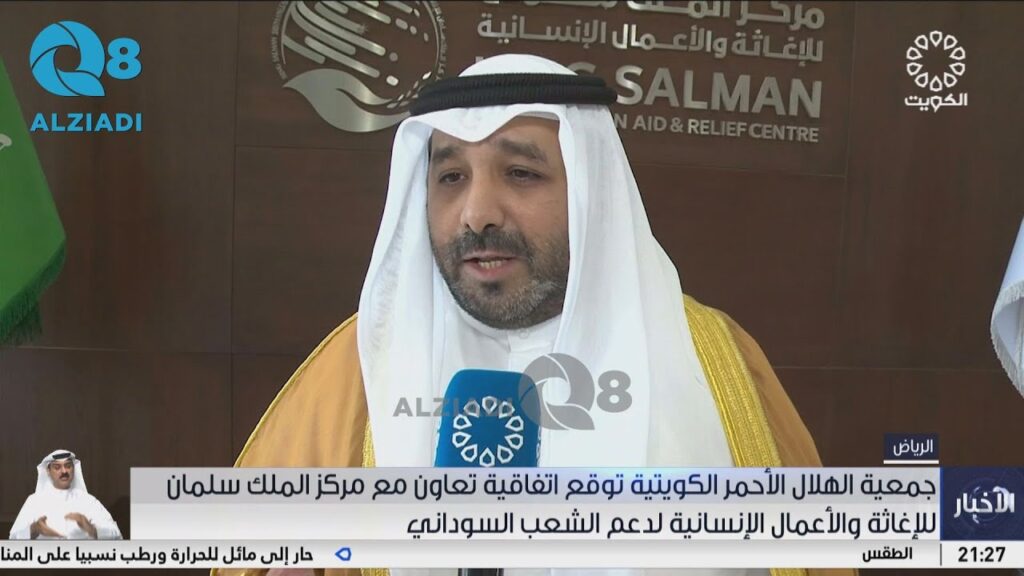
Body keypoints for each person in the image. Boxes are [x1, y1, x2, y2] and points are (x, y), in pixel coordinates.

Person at [217, 55, 853, 576]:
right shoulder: (357, 368)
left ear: (592, 193)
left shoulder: (717, 364)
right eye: (450, 178)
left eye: (521, 173)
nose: (477, 214)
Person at [9, 449, 122, 540]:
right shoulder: (34, 501)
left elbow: (116, 534)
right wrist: (33, 529)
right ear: (48, 471)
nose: (64, 471)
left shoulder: (88, 501)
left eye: (68, 466)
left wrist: (92, 529)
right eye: (57, 467)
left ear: (73, 468)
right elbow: (13, 537)